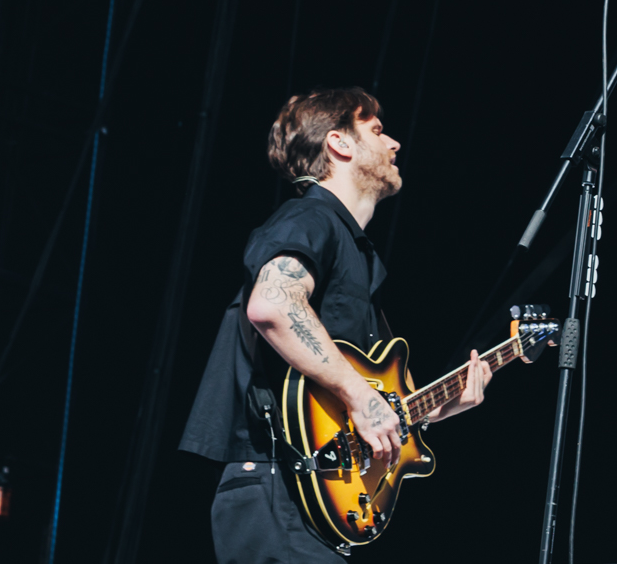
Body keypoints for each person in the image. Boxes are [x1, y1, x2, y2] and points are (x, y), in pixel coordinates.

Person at [179, 88, 491, 563]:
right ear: (339, 144)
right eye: (377, 130)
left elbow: (376, 408)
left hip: (311, 502)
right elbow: (272, 305)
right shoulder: (311, 216)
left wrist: (440, 407)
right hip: (278, 487)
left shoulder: (356, 254)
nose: (394, 145)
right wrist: (363, 397)